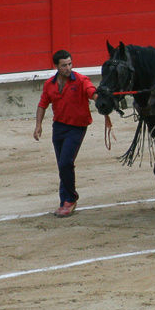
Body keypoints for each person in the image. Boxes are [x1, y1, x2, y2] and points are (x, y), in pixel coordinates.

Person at [33, 50, 107, 218]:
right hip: (58, 127)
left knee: (66, 162)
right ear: (56, 67)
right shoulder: (49, 84)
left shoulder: (81, 80)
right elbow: (42, 104)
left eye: (70, 64)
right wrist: (38, 125)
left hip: (77, 127)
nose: (68, 68)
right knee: (62, 164)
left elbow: (91, 92)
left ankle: (71, 198)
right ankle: (64, 201)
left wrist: (99, 98)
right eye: (64, 65)